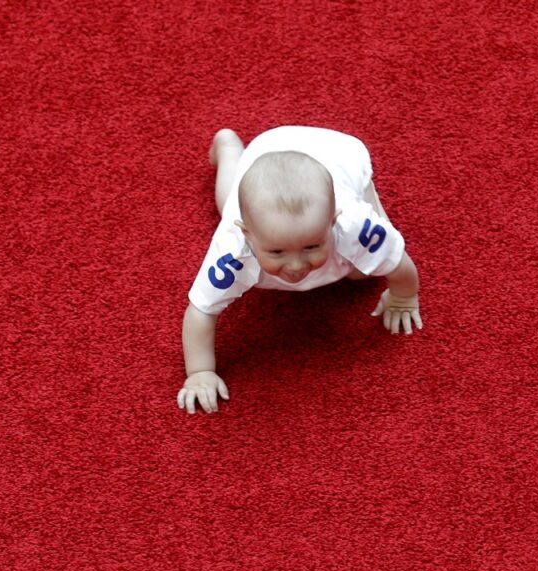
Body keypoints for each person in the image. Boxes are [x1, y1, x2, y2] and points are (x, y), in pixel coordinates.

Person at [178, 126, 423, 414]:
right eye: (277, 251)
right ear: (247, 235)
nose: (296, 266)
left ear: (333, 222)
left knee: (365, 273)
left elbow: (397, 259)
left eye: (311, 246)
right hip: (263, 152)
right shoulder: (233, 250)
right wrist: (199, 371)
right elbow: (201, 311)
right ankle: (231, 149)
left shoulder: (353, 226)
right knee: (228, 204)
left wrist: (403, 297)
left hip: (339, 154)